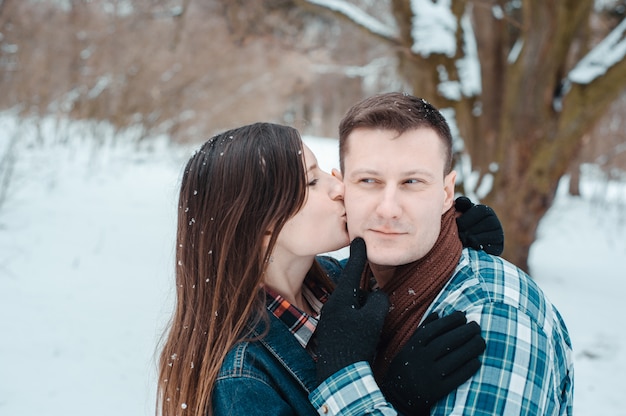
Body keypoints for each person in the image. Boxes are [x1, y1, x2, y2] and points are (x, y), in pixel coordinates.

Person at [156, 122, 499, 416]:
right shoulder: (243, 378)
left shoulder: (333, 280)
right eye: (311, 182)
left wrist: (447, 233)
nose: (339, 187)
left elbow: (392, 269)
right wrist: (396, 397)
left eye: (322, 169)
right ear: (261, 225)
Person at [319, 92, 574, 415]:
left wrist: (343, 377)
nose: (388, 209)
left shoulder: (493, 315)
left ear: (446, 194)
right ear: (341, 189)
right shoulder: (337, 290)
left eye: (412, 182)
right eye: (369, 180)